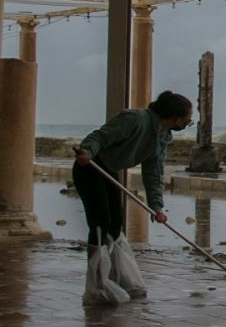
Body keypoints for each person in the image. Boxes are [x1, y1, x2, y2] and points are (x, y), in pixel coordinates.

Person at [72, 90, 194, 273]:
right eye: (187, 120)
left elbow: (154, 173)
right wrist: (87, 151)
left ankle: (113, 273)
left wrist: (157, 206)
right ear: (176, 118)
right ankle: (96, 276)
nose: (186, 124)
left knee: (115, 224)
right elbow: (99, 136)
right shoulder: (135, 119)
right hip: (91, 166)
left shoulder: (162, 137)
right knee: (101, 222)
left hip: (110, 170)